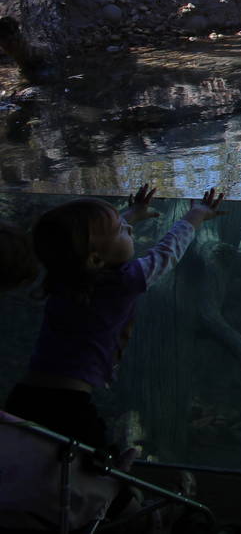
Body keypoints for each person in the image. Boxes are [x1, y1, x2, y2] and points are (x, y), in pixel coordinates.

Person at [4, 184, 225, 456]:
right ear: (95, 258)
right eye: (121, 229)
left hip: (24, 395)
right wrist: (195, 216)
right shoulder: (122, 281)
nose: (128, 229)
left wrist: (131, 214)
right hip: (68, 404)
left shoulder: (62, 276)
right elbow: (166, 253)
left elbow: (84, 243)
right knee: (93, 470)